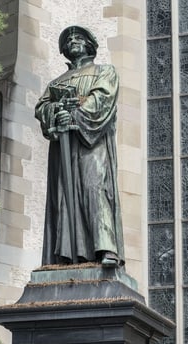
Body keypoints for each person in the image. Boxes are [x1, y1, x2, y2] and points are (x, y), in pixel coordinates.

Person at [35, 25, 124, 267]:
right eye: (69, 39)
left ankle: (105, 249)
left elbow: (102, 99)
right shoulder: (56, 82)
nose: (73, 41)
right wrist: (56, 113)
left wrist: (74, 114)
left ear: (89, 44)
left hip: (91, 143)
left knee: (94, 187)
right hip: (63, 147)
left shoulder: (104, 72)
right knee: (64, 196)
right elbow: (41, 108)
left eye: (78, 37)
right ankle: (66, 255)